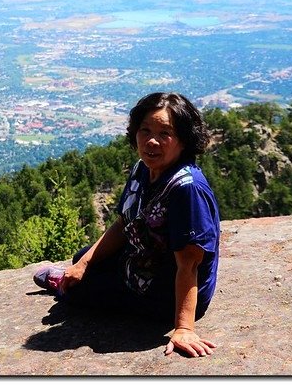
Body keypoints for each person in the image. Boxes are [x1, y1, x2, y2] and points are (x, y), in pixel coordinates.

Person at [33, 92, 221, 358]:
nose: (151, 141)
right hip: (144, 261)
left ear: (184, 141)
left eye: (165, 133)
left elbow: (189, 264)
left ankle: (62, 286)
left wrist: (183, 327)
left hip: (164, 291)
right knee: (81, 259)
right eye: (145, 130)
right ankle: (76, 276)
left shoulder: (186, 190)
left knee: (81, 292)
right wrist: (84, 263)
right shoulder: (143, 169)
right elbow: (124, 222)